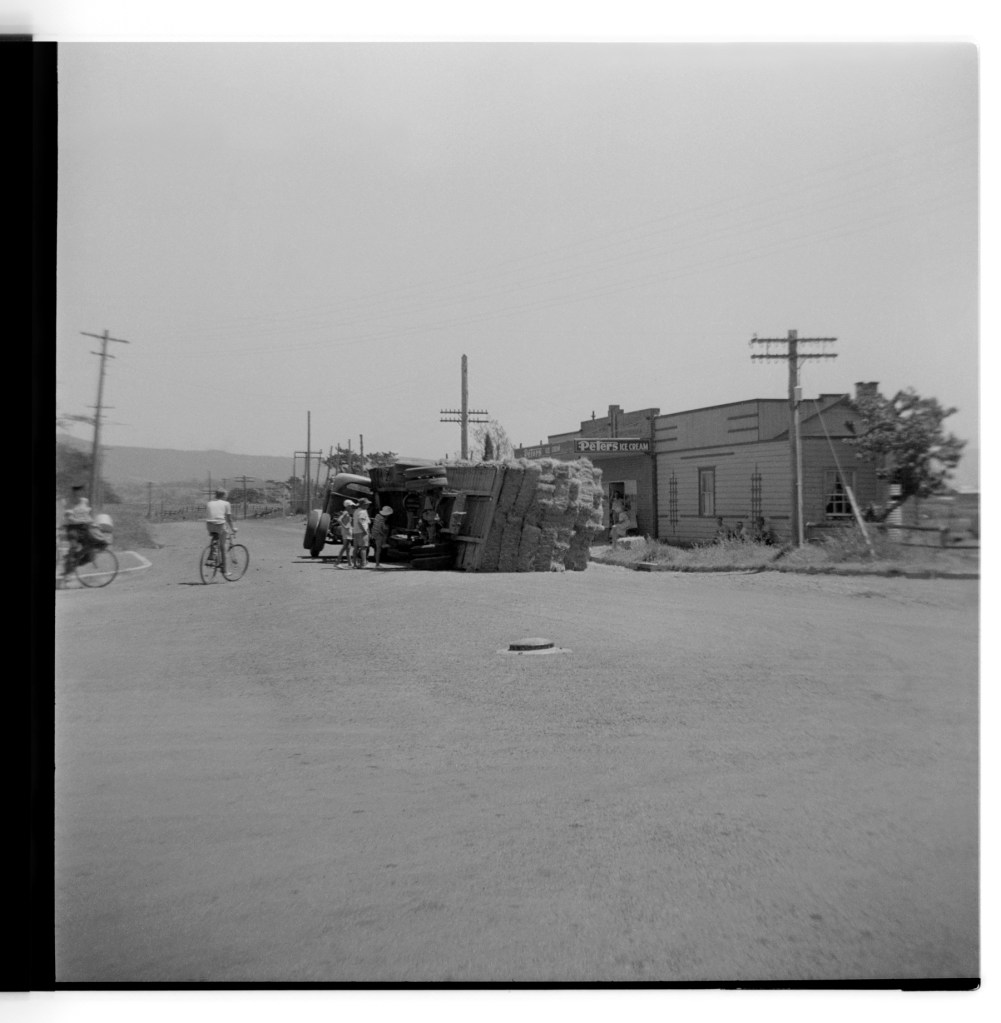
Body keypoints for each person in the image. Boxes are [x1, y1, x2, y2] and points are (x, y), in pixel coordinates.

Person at [205, 488, 237, 572]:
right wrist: (233, 528)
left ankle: (213, 555)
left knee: (216, 538)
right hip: (220, 525)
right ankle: (225, 570)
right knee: (223, 546)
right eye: (226, 495)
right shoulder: (226, 503)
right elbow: (229, 519)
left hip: (209, 525)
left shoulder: (209, 503)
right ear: (223, 496)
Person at [352, 498, 372, 568]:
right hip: (362, 531)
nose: (368, 505)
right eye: (367, 504)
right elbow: (360, 522)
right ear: (363, 505)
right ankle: (363, 563)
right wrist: (365, 531)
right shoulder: (363, 512)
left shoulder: (356, 511)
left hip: (356, 531)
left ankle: (355, 563)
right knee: (364, 548)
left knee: (356, 548)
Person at [337, 500, 356, 567]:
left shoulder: (348, 513)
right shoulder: (345, 512)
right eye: (351, 506)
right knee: (345, 547)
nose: (352, 507)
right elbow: (339, 519)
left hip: (348, 533)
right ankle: (337, 563)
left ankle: (350, 563)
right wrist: (344, 526)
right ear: (347, 506)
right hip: (346, 533)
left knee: (348, 548)